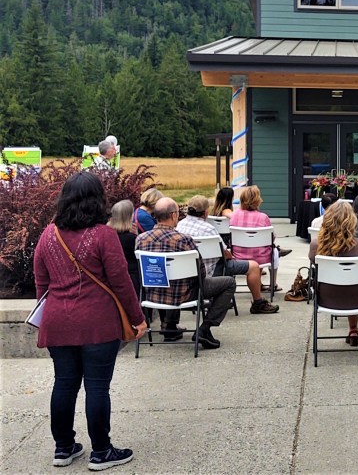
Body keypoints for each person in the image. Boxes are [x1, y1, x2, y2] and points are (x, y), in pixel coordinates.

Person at [33, 172, 146, 471]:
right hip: (97, 321)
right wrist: (137, 318)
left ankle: (63, 448)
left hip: (57, 321)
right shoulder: (104, 235)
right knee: (97, 387)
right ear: (98, 199)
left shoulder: (48, 234)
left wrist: (53, 309)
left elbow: (41, 282)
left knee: (64, 384)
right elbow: (121, 282)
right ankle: (101, 452)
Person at [136, 198, 235, 349]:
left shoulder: (141, 239)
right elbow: (200, 274)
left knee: (170, 280)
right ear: (174, 215)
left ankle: (170, 327)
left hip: (152, 294)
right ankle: (205, 329)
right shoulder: (183, 240)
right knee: (228, 283)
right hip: (183, 294)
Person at [176, 195, 279, 314]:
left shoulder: (180, 225)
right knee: (254, 266)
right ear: (205, 212)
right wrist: (230, 255)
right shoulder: (208, 229)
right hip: (212, 270)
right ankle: (258, 303)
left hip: (188, 272)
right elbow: (225, 254)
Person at [309, 201, 358, 346]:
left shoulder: (316, 245)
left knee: (345, 283)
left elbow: (313, 264)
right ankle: (353, 329)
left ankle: (354, 327)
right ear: (351, 221)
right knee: (353, 283)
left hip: (326, 298)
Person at [229, 185, 292, 291]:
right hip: (261, 257)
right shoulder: (263, 217)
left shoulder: (234, 215)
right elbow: (271, 239)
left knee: (259, 249)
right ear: (258, 201)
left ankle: (259, 283)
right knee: (274, 252)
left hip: (238, 256)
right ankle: (273, 284)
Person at [107, 199, 141, 298]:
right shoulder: (131, 238)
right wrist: (137, 236)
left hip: (110, 279)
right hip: (131, 280)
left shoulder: (107, 236)